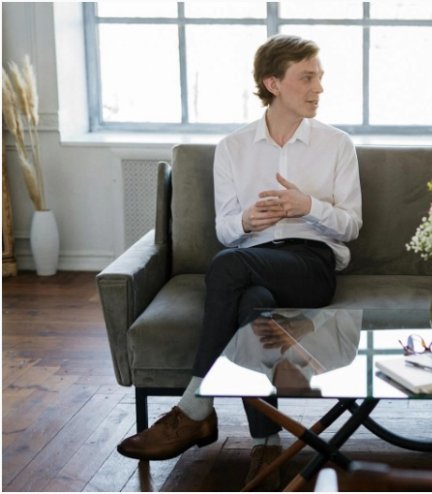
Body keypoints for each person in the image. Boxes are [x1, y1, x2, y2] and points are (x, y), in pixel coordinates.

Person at [116, 34, 363, 490]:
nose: (318, 88)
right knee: (251, 304)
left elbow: (350, 227)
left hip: (311, 265)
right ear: (273, 83)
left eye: (320, 77)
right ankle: (266, 447)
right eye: (306, 77)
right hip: (253, 259)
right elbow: (226, 230)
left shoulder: (337, 145)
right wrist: (249, 219)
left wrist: (306, 206)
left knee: (227, 267)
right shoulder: (233, 147)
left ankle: (194, 408)